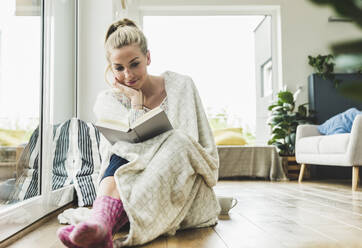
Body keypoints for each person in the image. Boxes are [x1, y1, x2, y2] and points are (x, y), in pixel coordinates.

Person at [57, 18, 220, 248]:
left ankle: (104, 222)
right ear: (111, 68)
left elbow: (206, 154)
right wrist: (135, 103)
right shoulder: (107, 100)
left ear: (148, 58)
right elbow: (118, 154)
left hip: (180, 181)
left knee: (179, 140)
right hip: (129, 178)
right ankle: (101, 225)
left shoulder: (183, 86)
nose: (128, 75)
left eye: (135, 64)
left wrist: (167, 145)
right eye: (119, 68)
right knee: (121, 152)